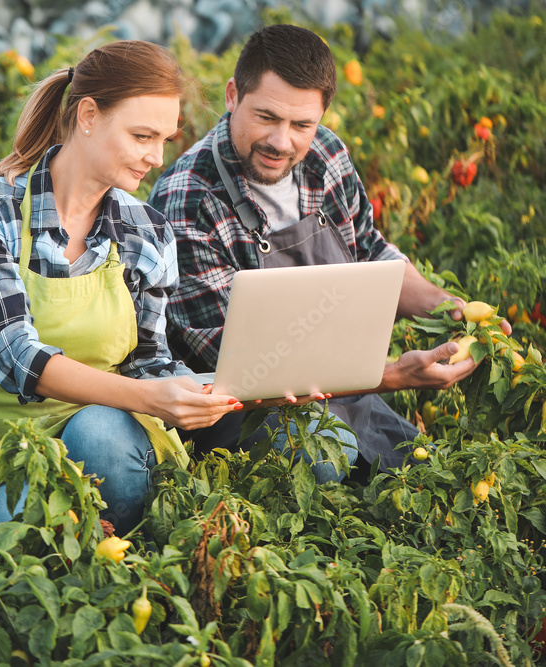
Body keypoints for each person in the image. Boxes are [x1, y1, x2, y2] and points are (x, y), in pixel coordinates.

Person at [149, 24, 509, 473]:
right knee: (324, 459)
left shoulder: (324, 155)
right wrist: (397, 374)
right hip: (245, 414)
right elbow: (249, 373)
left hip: (354, 396)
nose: (283, 142)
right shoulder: (187, 201)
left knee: (437, 475)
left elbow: (372, 253)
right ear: (232, 96)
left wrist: (444, 306)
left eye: (302, 124)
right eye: (266, 117)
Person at [0, 41, 243, 535]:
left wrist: (216, 391)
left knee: (100, 433)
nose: (156, 156)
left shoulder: (145, 229)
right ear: (87, 115)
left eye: (164, 138)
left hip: (115, 438)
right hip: (10, 456)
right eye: (142, 135)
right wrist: (148, 398)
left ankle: (117, 553)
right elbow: (17, 355)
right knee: (11, 533)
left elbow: (148, 360)